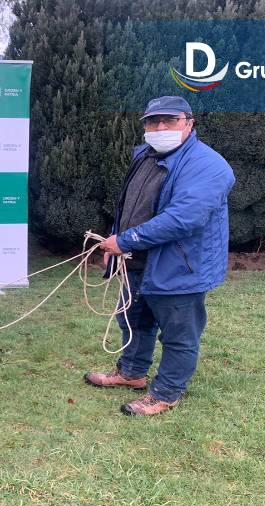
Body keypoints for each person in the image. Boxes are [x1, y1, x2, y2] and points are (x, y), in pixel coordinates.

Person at [84, 96, 235, 416]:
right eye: (153, 122)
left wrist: (126, 240)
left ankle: (166, 392)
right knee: (133, 319)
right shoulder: (145, 155)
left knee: (179, 333)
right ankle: (131, 373)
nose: (160, 127)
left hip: (180, 265)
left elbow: (184, 218)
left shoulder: (208, 165)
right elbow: (131, 206)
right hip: (139, 260)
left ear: (190, 123)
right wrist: (120, 242)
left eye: (170, 120)